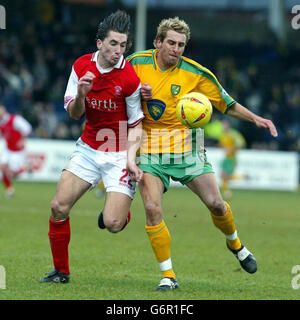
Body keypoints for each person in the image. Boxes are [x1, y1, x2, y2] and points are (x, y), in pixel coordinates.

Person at [126, 17, 277, 291]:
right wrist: (137, 91)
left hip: (187, 148)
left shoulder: (197, 73)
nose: (176, 48)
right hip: (148, 148)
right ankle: (168, 276)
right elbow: (119, 91)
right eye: (171, 42)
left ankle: (236, 244)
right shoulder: (136, 63)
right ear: (158, 42)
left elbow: (226, 104)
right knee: (151, 208)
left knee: (217, 204)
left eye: (181, 44)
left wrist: (257, 119)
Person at [40, 10, 144, 283]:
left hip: (120, 153)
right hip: (88, 148)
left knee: (112, 224)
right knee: (58, 207)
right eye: (113, 44)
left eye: (123, 45)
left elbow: (136, 124)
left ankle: (120, 215)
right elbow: (74, 114)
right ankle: (61, 272)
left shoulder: (130, 78)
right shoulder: (80, 66)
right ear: (100, 43)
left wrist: (132, 160)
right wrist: (82, 96)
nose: (118, 51)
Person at [0, 104, 32, 198]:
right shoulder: (1, 124)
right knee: (2, 167)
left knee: (12, 174)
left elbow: (27, 128)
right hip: (8, 149)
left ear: (4, 111)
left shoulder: (14, 119)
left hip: (18, 151)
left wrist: (22, 140)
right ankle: (10, 190)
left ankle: (25, 168)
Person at [218, 119, 247, 199]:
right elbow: (222, 144)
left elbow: (241, 143)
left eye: (224, 124)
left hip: (232, 159)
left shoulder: (233, 134)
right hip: (226, 158)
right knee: (222, 176)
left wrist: (231, 149)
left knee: (226, 176)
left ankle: (242, 177)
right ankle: (226, 192)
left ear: (228, 125)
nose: (223, 126)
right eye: (222, 125)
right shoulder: (223, 135)